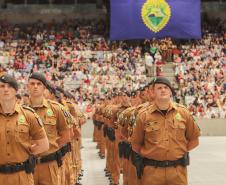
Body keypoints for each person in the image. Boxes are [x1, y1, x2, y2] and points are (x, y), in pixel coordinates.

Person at [131, 76, 200, 185]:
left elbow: (194, 140)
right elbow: (135, 144)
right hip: (152, 172)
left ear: (171, 92)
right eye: (159, 88)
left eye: (166, 87)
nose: (163, 90)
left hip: (177, 171)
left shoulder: (183, 113)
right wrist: (152, 154)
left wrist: (178, 151)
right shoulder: (143, 116)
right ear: (153, 92)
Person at [0, 74, 49, 185]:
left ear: (16, 90)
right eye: (2, 86)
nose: (5, 89)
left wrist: (25, 152)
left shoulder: (28, 115)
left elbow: (44, 145)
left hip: (21, 176)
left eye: (10, 86)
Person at [26, 72, 73, 185]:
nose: (35, 86)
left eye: (39, 84)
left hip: (49, 164)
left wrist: (51, 147)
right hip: (28, 165)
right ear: (28, 87)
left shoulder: (56, 109)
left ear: (44, 88)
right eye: (32, 84)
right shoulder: (21, 111)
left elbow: (67, 135)